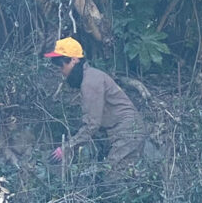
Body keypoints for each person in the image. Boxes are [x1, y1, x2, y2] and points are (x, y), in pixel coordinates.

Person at [44, 37, 147, 180]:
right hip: (125, 131)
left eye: (62, 66)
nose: (61, 71)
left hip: (128, 132)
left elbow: (92, 124)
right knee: (125, 178)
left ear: (74, 60)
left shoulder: (90, 82)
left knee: (112, 179)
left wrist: (67, 148)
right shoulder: (90, 77)